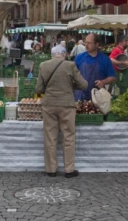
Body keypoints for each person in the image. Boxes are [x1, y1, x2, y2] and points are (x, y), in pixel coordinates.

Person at [36, 46, 87, 178]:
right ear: (64, 54)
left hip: (49, 105)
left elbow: (39, 88)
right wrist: (70, 86)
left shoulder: (43, 65)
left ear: (52, 55)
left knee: (50, 137)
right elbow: (83, 85)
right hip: (67, 105)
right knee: (68, 136)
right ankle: (69, 169)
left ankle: (51, 169)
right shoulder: (70, 65)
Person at [74, 33, 115, 101]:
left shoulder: (105, 59)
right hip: (80, 96)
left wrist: (103, 82)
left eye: (89, 43)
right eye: (85, 42)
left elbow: (112, 77)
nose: (86, 45)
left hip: (97, 96)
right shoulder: (79, 57)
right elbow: (72, 74)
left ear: (97, 44)